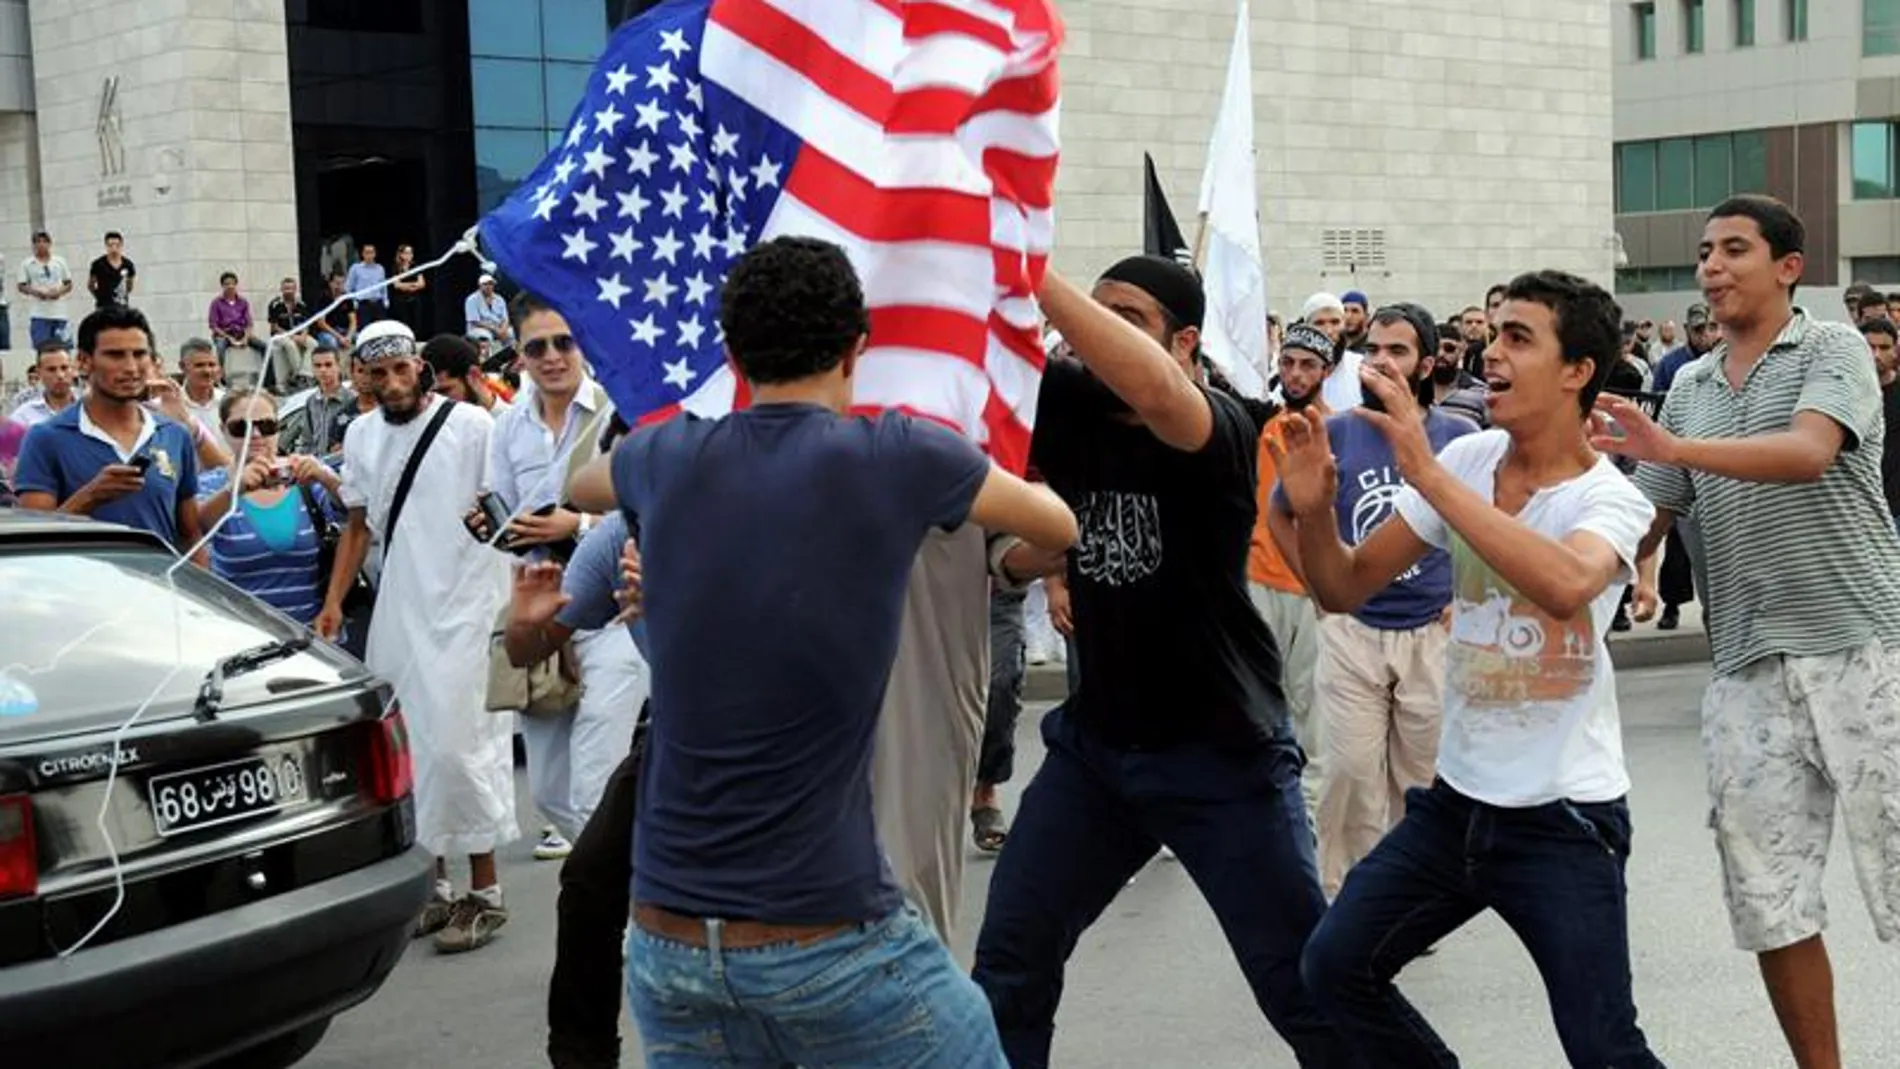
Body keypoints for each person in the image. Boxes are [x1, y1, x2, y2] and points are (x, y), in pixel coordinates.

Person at [566, 235, 1076, 1068]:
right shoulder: (899, 455)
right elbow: (1057, 526)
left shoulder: (666, 457)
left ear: (731, 351)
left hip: (667, 940)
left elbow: (581, 486)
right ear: (857, 347)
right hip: (825, 932)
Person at [971, 255, 1350, 1069]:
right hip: (1097, 754)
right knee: (1009, 963)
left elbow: (1160, 397)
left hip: (1222, 754)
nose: (1096, 336)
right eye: (1093, 314)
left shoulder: (1219, 424)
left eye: (1126, 319)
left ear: (1184, 342)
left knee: (1306, 985)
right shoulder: (1070, 402)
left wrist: (1033, 272)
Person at [1286, 270, 1666, 1069]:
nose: (1492, 352)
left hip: (1564, 819)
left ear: (1578, 371)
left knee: (1604, 1048)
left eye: (1518, 338)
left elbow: (1564, 584)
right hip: (1453, 809)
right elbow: (1343, 585)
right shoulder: (1472, 457)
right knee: (1335, 966)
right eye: (1493, 334)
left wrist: (1426, 473)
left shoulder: (1611, 498)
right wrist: (1314, 507)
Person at [1603, 195, 1900, 1069]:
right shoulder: (1688, 387)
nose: (1711, 267)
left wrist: (1674, 450)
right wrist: (1625, 563)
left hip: (1864, 649)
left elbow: (1808, 452)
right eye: (1704, 252)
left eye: (1734, 249)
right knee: (1770, 901)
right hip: (1743, 667)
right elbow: (1649, 509)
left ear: (1788, 267)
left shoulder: (1834, 348)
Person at [314, 319, 516, 955]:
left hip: (466, 603)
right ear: (364, 378)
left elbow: (507, 505)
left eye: (402, 369)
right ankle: (437, 887)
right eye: (379, 373)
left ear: (421, 367)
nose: (393, 382)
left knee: (461, 745)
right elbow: (356, 526)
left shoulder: (473, 427)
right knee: (412, 747)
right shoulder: (361, 434)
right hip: (402, 607)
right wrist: (332, 603)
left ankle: (485, 893)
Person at [1271, 304, 1475, 897]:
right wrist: (1318, 587)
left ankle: (1411, 900)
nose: (1381, 362)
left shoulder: (1459, 440)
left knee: (1422, 780)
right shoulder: (1333, 432)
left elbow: (1489, 522)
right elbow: (1281, 512)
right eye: (1374, 350)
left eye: (1398, 352)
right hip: (1352, 631)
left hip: (1431, 632)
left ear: (1427, 364)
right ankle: (1346, 896)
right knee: (1350, 774)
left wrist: (1467, 595)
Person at [475, 293, 634, 864]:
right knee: (548, 791)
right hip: (544, 615)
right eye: (536, 346)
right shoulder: (508, 427)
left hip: (617, 610)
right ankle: (631, 872)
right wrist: (490, 526)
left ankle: (628, 921)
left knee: (595, 782)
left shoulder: (622, 409)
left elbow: (649, 501)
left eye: (563, 342)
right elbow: (503, 514)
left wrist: (582, 520)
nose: (552, 356)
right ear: (518, 355)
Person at [14, 306, 206, 562]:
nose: (131, 367)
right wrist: (90, 497)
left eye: (139, 354)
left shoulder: (173, 435)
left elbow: (191, 537)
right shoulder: (45, 438)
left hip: (159, 594)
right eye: (115, 355)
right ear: (83, 361)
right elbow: (33, 546)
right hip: (83, 596)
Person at [1247, 323, 1333, 811]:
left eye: (1308, 366)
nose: (1296, 375)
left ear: (1327, 370)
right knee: (1256, 701)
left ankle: (1310, 812)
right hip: (1259, 579)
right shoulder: (1260, 428)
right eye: (1288, 364)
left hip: (1318, 588)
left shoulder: (1341, 430)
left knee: (1313, 706)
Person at [195, 389, 344, 625]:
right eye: (240, 428)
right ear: (223, 430)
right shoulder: (211, 485)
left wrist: (326, 476)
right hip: (242, 636)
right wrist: (234, 490)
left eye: (265, 426)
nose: (255, 435)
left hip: (312, 637)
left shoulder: (304, 479)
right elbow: (194, 529)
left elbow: (354, 514)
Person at [280, 344, 353, 458]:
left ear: (338, 366)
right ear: (312, 369)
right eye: (318, 366)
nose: (323, 370)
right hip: (315, 466)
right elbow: (307, 441)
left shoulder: (351, 400)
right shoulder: (311, 401)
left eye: (328, 365)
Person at [16, 231, 74, 348]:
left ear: (49, 243)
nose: (41, 245)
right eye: (38, 242)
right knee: (41, 347)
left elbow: (68, 284)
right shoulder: (27, 264)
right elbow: (21, 286)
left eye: (44, 241)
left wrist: (58, 292)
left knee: (63, 347)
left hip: (59, 313)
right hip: (39, 313)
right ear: (34, 245)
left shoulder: (59, 261)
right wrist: (36, 292)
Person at [209, 271, 269, 384]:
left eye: (232, 283)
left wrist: (246, 337)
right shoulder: (216, 303)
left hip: (241, 333)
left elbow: (249, 323)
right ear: (222, 286)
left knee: (265, 347)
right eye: (227, 284)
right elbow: (213, 325)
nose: (230, 286)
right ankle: (220, 379)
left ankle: (268, 380)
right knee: (220, 348)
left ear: (236, 285)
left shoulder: (243, 302)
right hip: (223, 334)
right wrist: (229, 338)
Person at [7, 340, 79, 429]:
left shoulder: (91, 409)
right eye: (51, 369)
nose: (60, 375)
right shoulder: (23, 417)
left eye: (64, 368)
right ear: (39, 373)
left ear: (73, 369)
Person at [87, 231, 136, 311]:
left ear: (121, 246)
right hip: (103, 307)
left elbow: (129, 286)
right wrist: (99, 296)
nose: (114, 249)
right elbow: (90, 285)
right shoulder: (97, 264)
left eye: (117, 245)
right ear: (106, 246)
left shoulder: (128, 264)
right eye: (110, 245)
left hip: (122, 306)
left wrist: (121, 294)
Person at [388, 244, 428, 334]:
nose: (409, 255)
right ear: (401, 254)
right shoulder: (396, 267)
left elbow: (422, 283)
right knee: (403, 322)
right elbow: (396, 285)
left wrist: (406, 286)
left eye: (410, 253)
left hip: (415, 298)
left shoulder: (415, 266)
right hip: (400, 300)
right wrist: (413, 285)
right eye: (406, 253)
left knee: (416, 322)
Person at [345, 243, 388, 326]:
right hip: (363, 304)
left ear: (375, 254)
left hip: (378, 303)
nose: (369, 255)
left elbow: (383, 286)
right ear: (363, 254)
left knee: (380, 329)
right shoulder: (355, 268)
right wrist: (354, 302)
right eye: (367, 252)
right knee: (364, 329)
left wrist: (385, 300)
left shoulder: (380, 268)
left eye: (371, 252)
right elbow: (348, 287)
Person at [464, 274, 512, 345]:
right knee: (486, 337)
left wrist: (503, 330)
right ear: (480, 286)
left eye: (490, 284)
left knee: (511, 333)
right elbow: (475, 322)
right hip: (479, 329)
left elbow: (505, 318)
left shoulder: (499, 299)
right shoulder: (471, 299)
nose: (488, 286)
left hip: (498, 327)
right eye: (485, 284)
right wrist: (495, 329)